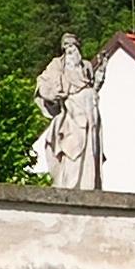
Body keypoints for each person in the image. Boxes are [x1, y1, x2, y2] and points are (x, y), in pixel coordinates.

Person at [33, 32, 103, 190]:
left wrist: (100, 75)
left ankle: (89, 186)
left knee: (90, 152)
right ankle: (71, 188)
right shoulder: (57, 65)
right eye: (67, 46)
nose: (70, 50)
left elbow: (92, 87)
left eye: (73, 45)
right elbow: (43, 84)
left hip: (90, 113)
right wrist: (51, 95)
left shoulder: (86, 66)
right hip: (71, 113)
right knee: (72, 151)